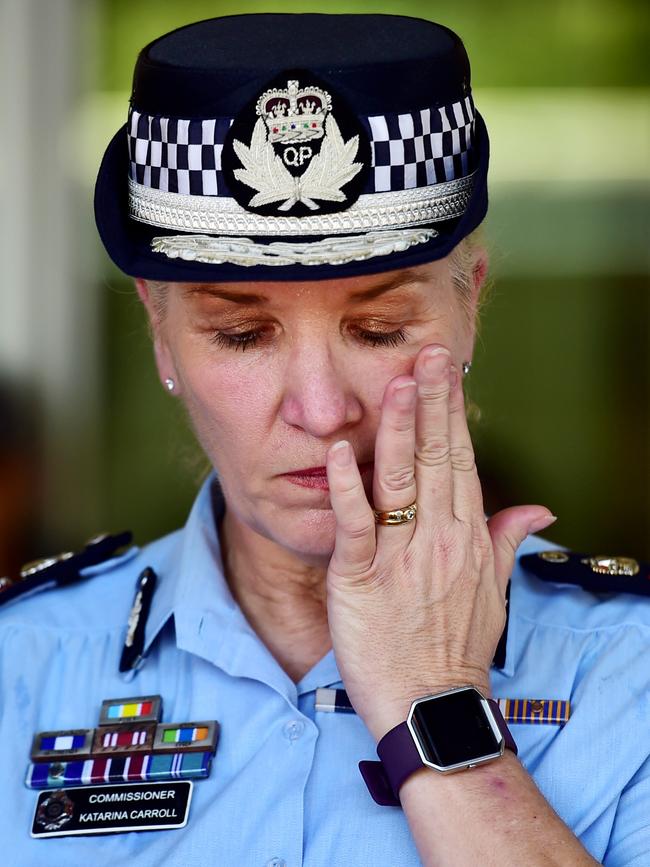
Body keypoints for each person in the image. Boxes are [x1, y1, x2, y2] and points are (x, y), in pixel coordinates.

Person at [1, 13, 648, 866]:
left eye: (379, 327)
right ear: (160, 333)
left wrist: (436, 698)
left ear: (471, 309)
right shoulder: (24, 661)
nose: (321, 407)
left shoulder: (628, 669)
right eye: (242, 335)